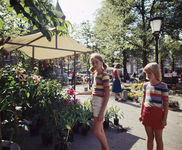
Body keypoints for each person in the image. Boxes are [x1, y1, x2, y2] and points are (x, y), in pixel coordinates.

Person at [75, 53, 110, 150]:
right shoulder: (95, 75)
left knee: (96, 132)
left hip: (99, 104)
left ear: (101, 62)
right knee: (100, 131)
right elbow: (94, 91)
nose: (94, 64)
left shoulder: (104, 75)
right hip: (95, 102)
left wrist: (102, 112)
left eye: (96, 62)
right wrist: (80, 93)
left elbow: (107, 94)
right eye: (93, 62)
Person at [139, 62, 169, 150]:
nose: (147, 75)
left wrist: (164, 119)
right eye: (146, 73)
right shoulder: (145, 85)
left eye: (149, 73)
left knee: (158, 139)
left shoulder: (163, 86)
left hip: (157, 115)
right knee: (149, 137)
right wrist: (141, 114)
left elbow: (166, 104)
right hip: (146, 113)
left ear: (155, 72)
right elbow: (143, 101)